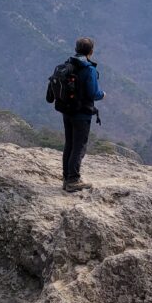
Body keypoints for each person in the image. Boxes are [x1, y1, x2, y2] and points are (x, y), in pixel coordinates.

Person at [59, 37, 105, 192]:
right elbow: (93, 93)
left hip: (67, 111)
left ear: (76, 49)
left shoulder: (69, 64)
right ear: (91, 52)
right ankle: (73, 180)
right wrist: (102, 94)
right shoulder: (89, 69)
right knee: (79, 147)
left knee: (69, 144)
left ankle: (66, 178)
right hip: (82, 114)